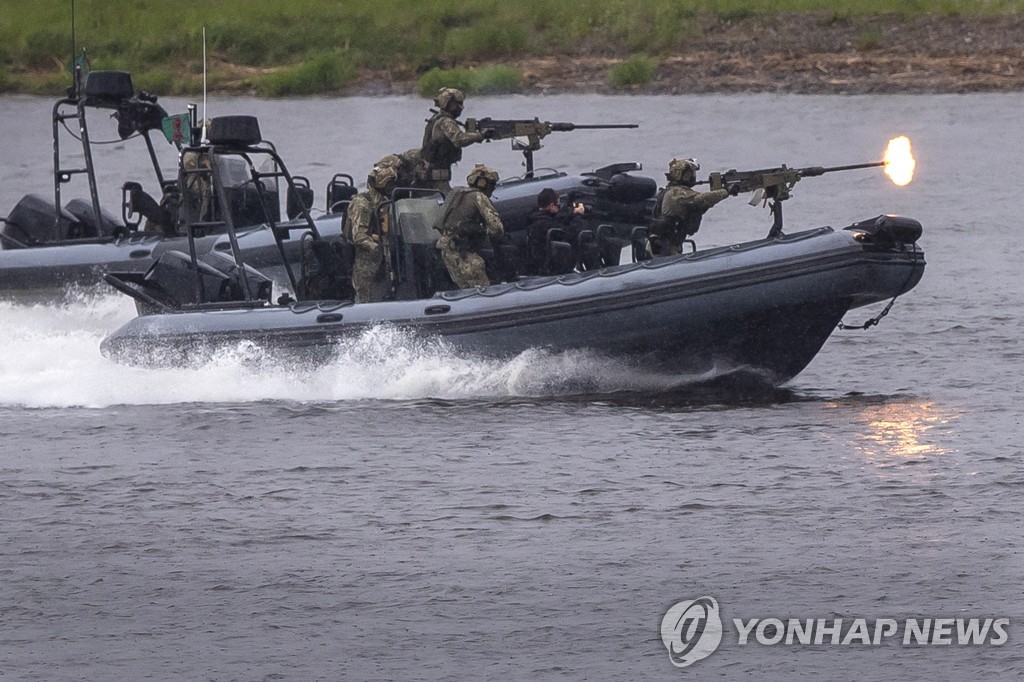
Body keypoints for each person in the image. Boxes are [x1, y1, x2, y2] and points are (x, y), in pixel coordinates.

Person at [434, 164, 504, 289]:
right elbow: (496, 228)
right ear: (483, 183)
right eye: (492, 184)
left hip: (447, 249)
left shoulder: (457, 194)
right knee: (480, 290)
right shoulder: (479, 197)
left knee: (463, 288)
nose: (493, 188)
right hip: (464, 253)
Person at [648, 158, 732, 256]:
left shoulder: (676, 192)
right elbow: (701, 199)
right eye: (688, 175)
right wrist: (725, 191)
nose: (692, 177)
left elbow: (701, 203)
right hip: (663, 247)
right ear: (679, 175)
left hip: (669, 245)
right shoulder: (675, 193)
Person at [345, 163, 397, 303]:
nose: (392, 186)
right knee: (366, 295)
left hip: (384, 258)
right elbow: (359, 236)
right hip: (365, 260)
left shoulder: (385, 202)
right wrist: (375, 246)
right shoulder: (362, 203)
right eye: (389, 182)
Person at [419, 88, 487, 194]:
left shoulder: (437, 118)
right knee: (451, 201)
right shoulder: (446, 122)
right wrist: (480, 135)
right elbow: (459, 139)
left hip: (435, 176)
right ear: (447, 104)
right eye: (458, 104)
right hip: (436, 178)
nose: (461, 107)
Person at [525, 187, 587, 274]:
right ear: (551, 206)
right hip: (553, 270)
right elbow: (570, 234)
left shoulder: (536, 219)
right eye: (558, 205)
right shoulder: (545, 225)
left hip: (544, 269)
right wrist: (577, 216)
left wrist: (571, 213)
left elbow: (559, 222)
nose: (559, 208)